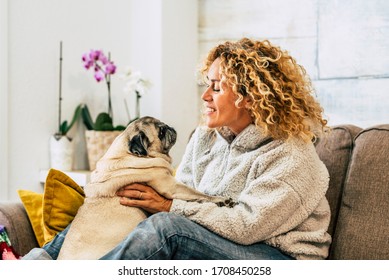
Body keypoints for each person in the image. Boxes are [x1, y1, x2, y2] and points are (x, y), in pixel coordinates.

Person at [25, 38, 331, 260]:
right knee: (106, 206)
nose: (205, 97)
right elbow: (178, 191)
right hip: (219, 239)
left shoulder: (292, 156)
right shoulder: (206, 138)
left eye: (216, 87)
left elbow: (245, 225)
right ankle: (32, 266)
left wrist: (169, 207)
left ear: (250, 97)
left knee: (166, 229)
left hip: (278, 257)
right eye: (206, 84)